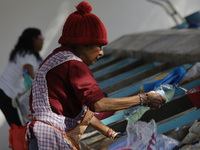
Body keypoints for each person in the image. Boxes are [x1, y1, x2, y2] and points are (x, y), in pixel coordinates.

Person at [26, 1, 166, 150]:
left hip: (39, 139)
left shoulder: (53, 60)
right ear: (83, 44)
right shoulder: (74, 65)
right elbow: (99, 104)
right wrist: (144, 99)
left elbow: (84, 113)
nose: (101, 53)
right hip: (51, 141)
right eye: (99, 46)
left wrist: (111, 134)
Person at [0, 28, 43, 126]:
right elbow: (27, 70)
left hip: (6, 92)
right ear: (33, 39)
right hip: (7, 94)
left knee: (21, 125)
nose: (42, 41)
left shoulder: (24, 53)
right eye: (40, 38)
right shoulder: (27, 55)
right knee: (19, 127)